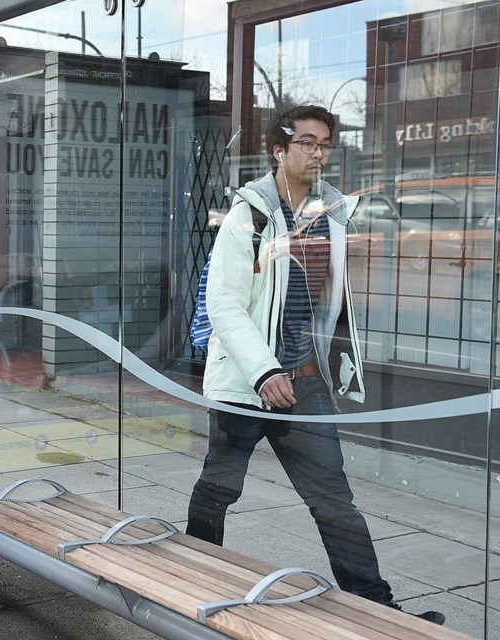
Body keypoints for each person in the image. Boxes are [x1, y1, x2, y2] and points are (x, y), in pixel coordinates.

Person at [186, 105, 445, 625]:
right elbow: (225, 304)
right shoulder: (249, 215)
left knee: (333, 500)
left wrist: (340, 363)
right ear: (278, 150)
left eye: (324, 143)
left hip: (305, 383)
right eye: (306, 141)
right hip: (248, 383)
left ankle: (377, 609)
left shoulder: (333, 215)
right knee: (220, 488)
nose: (318, 152)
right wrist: (263, 371)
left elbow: (334, 304)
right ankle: (192, 576)